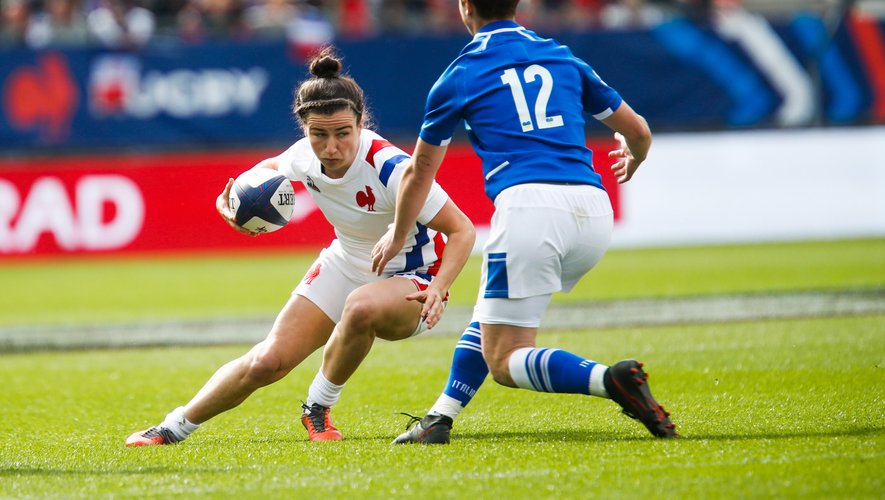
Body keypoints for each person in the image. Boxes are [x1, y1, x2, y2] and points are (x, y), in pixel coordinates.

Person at [125, 47, 475, 446]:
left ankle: (317, 408)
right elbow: (267, 170)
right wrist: (234, 204)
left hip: (415, 277)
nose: (331, 147)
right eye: (318, 135)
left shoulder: (391, 167)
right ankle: (172, 428)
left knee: (361, 307)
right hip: (346, 262)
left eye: (343, 133)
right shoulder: (303, 157)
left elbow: (462, 230)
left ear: (361, 124)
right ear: (305, 130)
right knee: (267, 361)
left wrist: (440, 287)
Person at [372, 0, 677, 444]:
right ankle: (438, 419)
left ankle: (611, 380)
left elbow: (419, 172)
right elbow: (640, 132)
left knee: (505, 359)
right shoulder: (563, 57)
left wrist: (399, 234)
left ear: (464, 7)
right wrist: (635, 158)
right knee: (491, 316)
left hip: (529, 209)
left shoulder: (460, 73)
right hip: (594, 210)